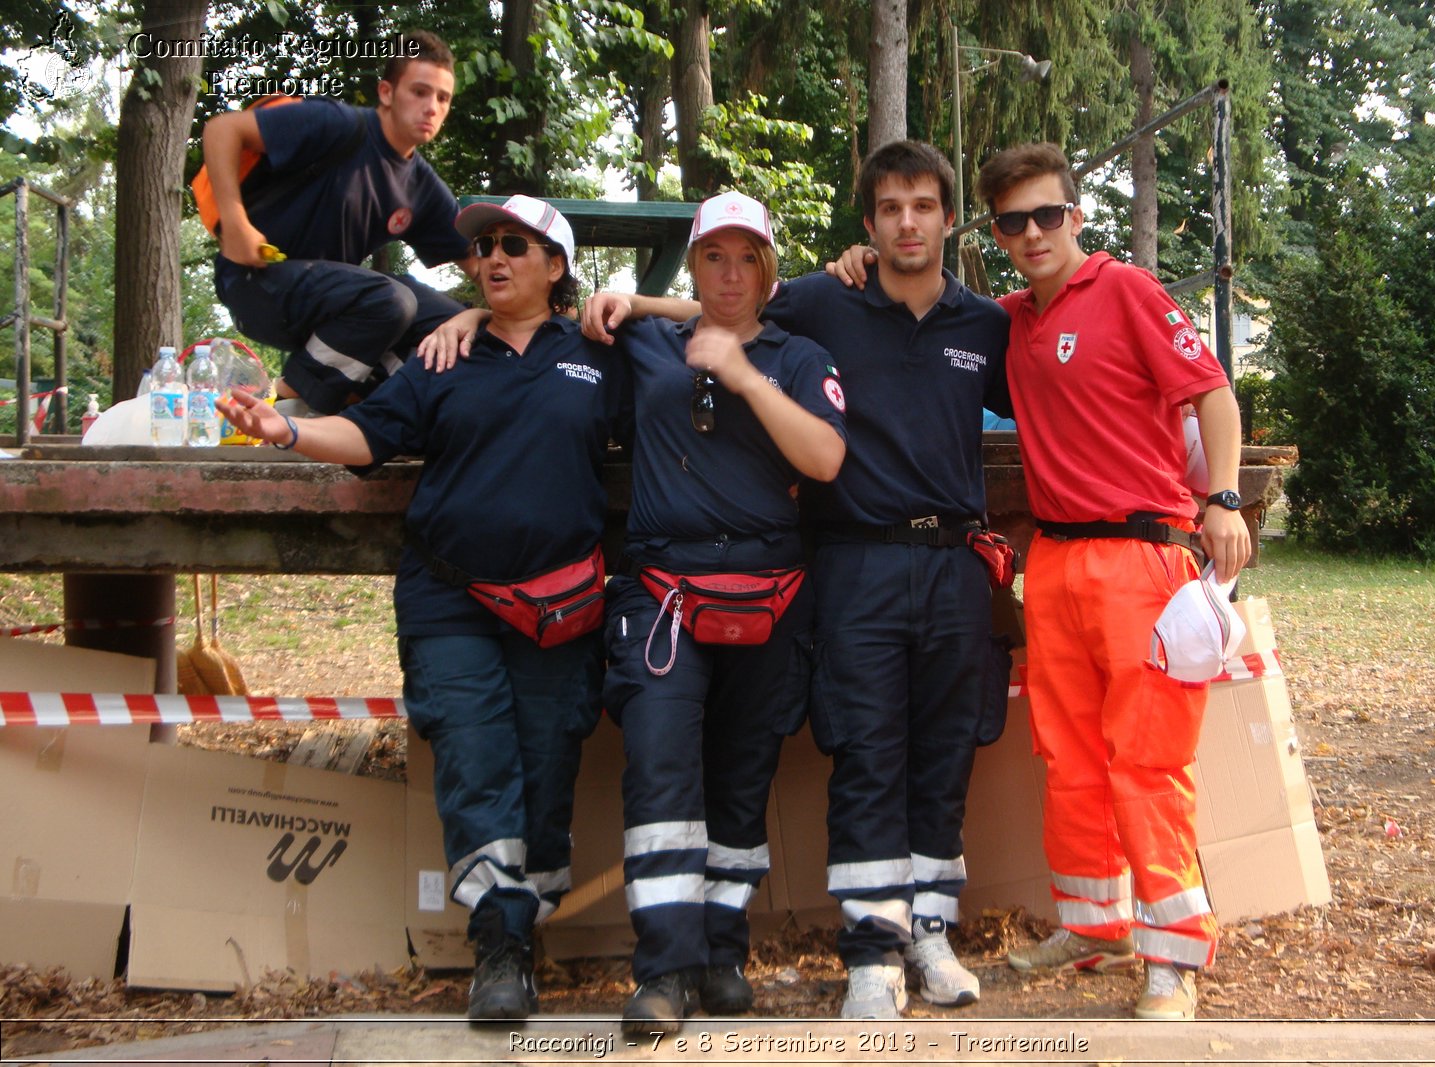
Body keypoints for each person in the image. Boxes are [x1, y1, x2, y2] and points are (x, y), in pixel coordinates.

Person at [583, 142, 1012, 1021]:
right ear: (868, 223)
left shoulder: (986, 325)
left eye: (923, 206)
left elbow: (1059, 388)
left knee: (943, 755)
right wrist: (628, 301)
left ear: (946, 217)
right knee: (865, 751)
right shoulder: (828, 302)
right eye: (889, 208)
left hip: (956, 563)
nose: (906, 222)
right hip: (855, 559)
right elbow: (729, 306)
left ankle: (930, 935)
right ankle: (870, 956)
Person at [219, 197, 625, 1022]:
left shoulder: (601, 353)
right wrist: (286, 430)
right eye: (482, 248)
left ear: (557, 268)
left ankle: (529, 918)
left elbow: (725, 330)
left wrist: (636, 304)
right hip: (451, 599)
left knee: (547, 769)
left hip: (560, 606)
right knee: (475, 761)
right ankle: (500, 948)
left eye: (516, 246)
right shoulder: (442, 357)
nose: (494, 258)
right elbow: (368, 435)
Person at [974, 143, 1248, 1020]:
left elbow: (1213, 392)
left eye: (1047, 214)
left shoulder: (1127, 289)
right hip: (1052, 559)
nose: (1032, 233)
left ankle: (1173, 953)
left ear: (1076, 216)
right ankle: (1096, 923)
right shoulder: (1008, 318)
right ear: (997, 233)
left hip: (1142, 553)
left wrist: (1225, 498)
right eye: (1013, 221)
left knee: (1149, 755)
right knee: (1068, 753)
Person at [597, 192, 847, 1035]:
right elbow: (538, 323)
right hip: (664, 588)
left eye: (747, 259)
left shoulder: (801, 355)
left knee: (744, 773)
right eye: (714, 257)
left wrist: (741, 371)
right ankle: (663, 971)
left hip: (771, 590)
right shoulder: (646, 341)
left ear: (769, 270)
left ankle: (721, 950)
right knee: (661, 768)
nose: (730, 274)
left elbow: (823, 457)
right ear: (694, 265)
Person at [202, 29, 471, 416]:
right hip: (255, 282)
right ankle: (291, 391)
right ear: (386, 93)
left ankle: (373, 404)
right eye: (420, 92)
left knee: (455, 325)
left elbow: (482, 265)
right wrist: (235, 220)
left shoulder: (423, 187)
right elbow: (222, 128)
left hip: (335, 305)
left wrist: (488, 317)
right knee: (391, 300)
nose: (432, 107)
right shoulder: (338, 125)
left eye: (443, 98)